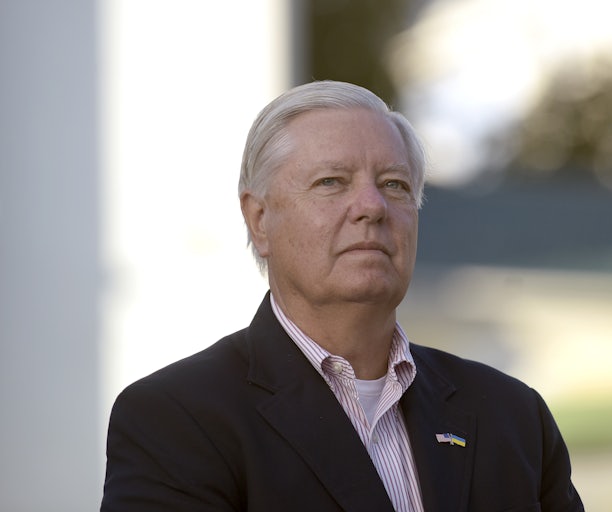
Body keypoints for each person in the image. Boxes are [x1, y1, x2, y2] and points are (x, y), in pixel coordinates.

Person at [101, 80, 584, 512]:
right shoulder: (178, 419)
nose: (372, 206)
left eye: (394, 185)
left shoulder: (513, 416)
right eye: (331, 182)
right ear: (259, 220)